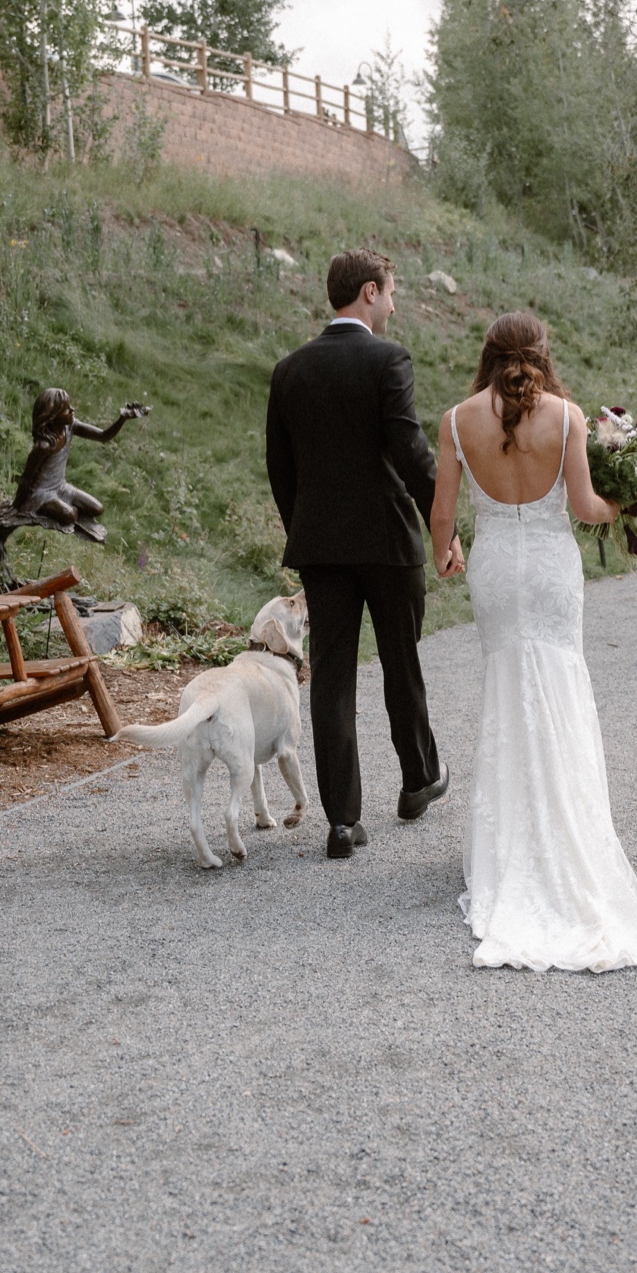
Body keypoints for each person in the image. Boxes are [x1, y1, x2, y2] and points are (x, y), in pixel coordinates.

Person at [430, 312, 637, 974]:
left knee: (507, 692)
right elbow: (587, 504)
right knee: (560, 687)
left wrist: (443, 553)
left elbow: (443, 513)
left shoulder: (456, 420)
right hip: (551, 570)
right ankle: (565, 837)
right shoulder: (566, 417)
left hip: (496, 572)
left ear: (488, 354)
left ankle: (512, 844)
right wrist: (630, 504)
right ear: (540, 354)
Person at [266, 249, 464, 860]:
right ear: (370, 292)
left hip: (321, 547)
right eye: (392, 293)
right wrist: (445, 528)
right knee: (402, 662)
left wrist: (304, 527)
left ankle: (343, 822)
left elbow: (280, 467)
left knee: (331, 678)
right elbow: (412, 454)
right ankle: (418, 780)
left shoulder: (290, 369)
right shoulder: (387, 359)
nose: (396, 305)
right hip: (387, 541)